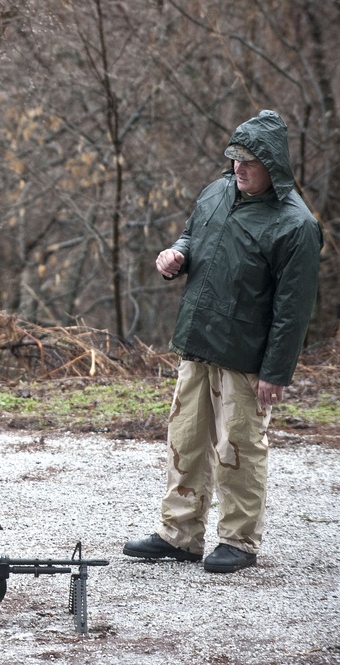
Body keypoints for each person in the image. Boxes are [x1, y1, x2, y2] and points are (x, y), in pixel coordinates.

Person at [123, 110, 322, 573]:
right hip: (197, 342)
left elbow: (293, 311)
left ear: (272, 165)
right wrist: (178, 254)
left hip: (245, 357)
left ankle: (239, 540)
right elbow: (194, 236)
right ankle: (179, 535)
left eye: (249, 162)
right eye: (234, 159)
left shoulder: (296, 225)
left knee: (239, 448)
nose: (239, 169)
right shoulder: (216, 192)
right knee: (186, 441)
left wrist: (276, 372)